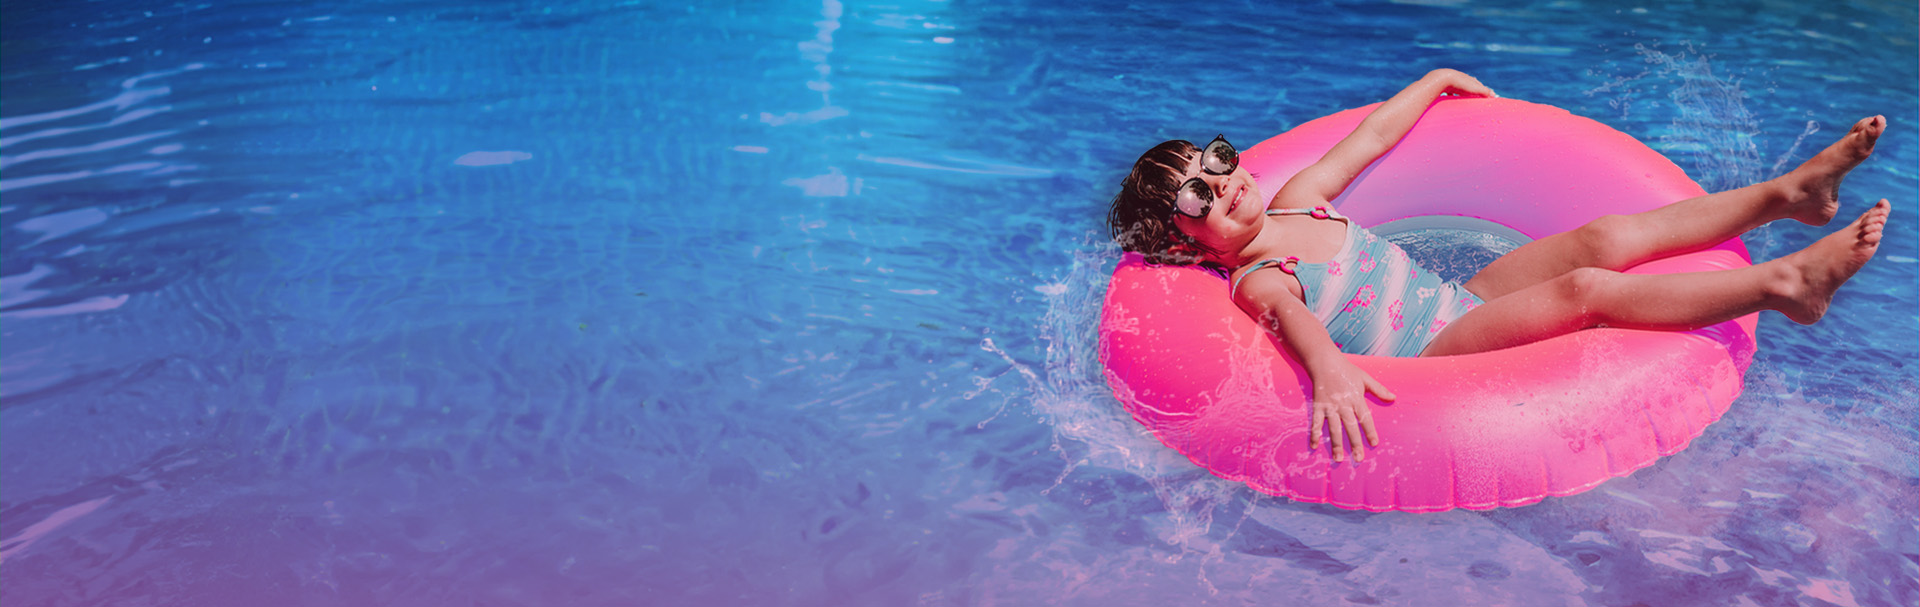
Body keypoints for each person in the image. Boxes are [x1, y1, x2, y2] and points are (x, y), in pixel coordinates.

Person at [1106, 68, 1890, 463]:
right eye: (1198, 195)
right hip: (1434, 349)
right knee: (1588, 290)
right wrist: (1332, 373)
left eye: (1218, 157)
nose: (1224, 182)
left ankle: (1791, 192)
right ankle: (1787, 285)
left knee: (1601, 236)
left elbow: (1369, 142)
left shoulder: (1299, 201)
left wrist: (1433, 82)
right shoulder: (1257, 276)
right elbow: (1296, 319)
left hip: (1456, 297)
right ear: (1185, 242)